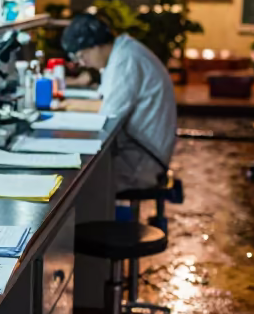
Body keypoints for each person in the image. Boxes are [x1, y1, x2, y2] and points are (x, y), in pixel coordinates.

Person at [61, 12, 177, 190]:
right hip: (139, 154)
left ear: (96, 46)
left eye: (82, 56)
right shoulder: (122, 53)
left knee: (71, 182)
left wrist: (67, 112)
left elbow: (108, 116)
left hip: (141, 165)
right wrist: (67, 105)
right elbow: (105, 103)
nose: (83, 63)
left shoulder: (126, 61)